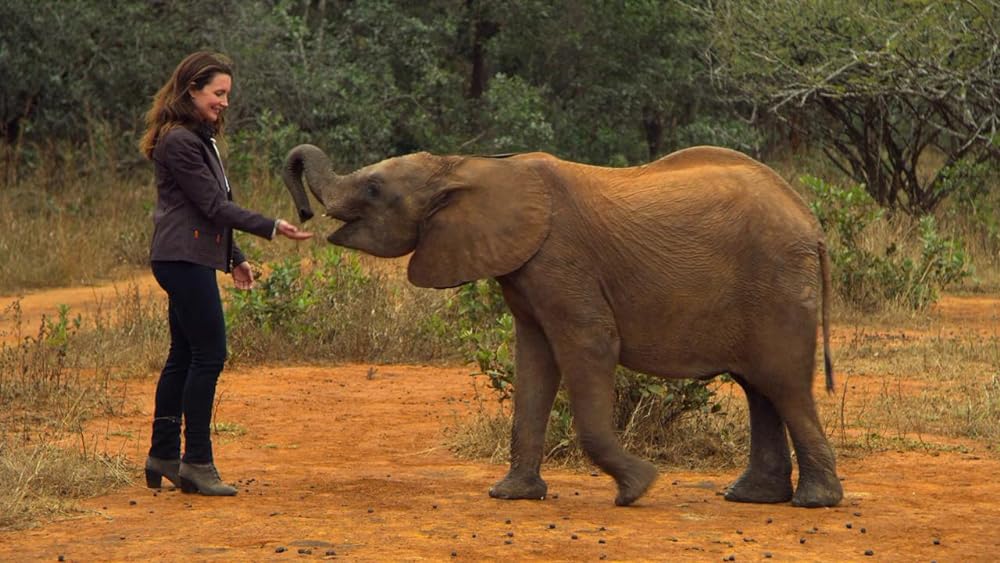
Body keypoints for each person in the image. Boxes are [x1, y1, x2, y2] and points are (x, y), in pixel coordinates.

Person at [138, 51, 312, 496]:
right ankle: (196, 461)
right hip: (183, 259)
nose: (224, 103)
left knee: (184, 354)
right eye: (218, 93)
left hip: (185, 256)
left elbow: (205, 209)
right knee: (209, 355)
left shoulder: (196, 137)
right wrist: (271, 226)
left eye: (227, 95)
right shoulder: (180, 140)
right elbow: (214, 206)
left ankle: (163, 453)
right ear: (192, 90)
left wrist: (234, 257)